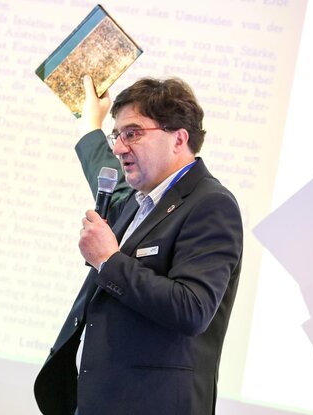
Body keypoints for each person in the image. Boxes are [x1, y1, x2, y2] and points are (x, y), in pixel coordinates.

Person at [33, 75, 244, 415]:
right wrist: (91, 124)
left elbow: (192, 308)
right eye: (117, 135)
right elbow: (105, 173)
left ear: (178, 138)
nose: (118, 148)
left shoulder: (210, 204)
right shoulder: (138, 201)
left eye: (132, 133)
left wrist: (109, 260)